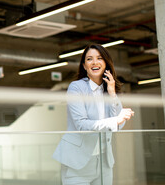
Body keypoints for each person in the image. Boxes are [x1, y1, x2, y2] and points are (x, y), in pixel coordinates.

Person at [52, 44, 134, 185]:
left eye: (99, 58)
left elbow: (119, 126)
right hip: (77, 162)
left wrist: (112, 94)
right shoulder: (76, 88)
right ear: (84, 66)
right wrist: (115, 120)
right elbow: (81, 125)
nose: (94, 62)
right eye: (89, 59)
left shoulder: (109, 89)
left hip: (103, 162)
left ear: (106, 63)